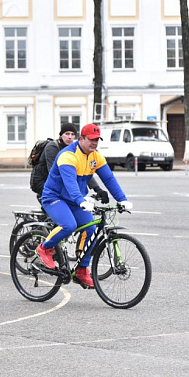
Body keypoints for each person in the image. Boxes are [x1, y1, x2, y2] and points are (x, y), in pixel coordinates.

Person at [36, 123, 132, 288]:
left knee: (90, 229)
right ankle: (45, 248)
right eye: (91, 140)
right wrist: (81, 201)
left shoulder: (95, 156)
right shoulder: (67, 155)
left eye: (97, 140)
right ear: (81, 139)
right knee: (69, 225)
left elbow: (109, 178)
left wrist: (122, 199)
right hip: (55, 197)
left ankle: (81, 269)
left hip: (74, 199)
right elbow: (70, 184)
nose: (94, 143)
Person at [31, 122, 109, 204]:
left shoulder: (75, 149)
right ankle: (43, 200)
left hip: (60, 180)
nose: (70, 137)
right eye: (67, 134)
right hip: (42, 179)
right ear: (61, 135)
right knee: (60, 203)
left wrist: (97, 189)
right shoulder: (52, 147)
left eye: (72, 134)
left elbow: (85, 171)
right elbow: (53, 172)